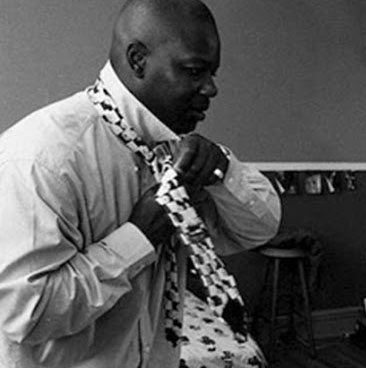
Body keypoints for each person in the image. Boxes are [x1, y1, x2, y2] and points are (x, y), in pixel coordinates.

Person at [0, 0, 281, 367]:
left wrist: (224, 172)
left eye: (212, 73)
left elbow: (259, 229)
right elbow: (25, 313)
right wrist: (138, 238)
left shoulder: (179, 151)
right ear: (138, 60)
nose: (211, 89)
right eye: (195, 70)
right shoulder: (44, 158)